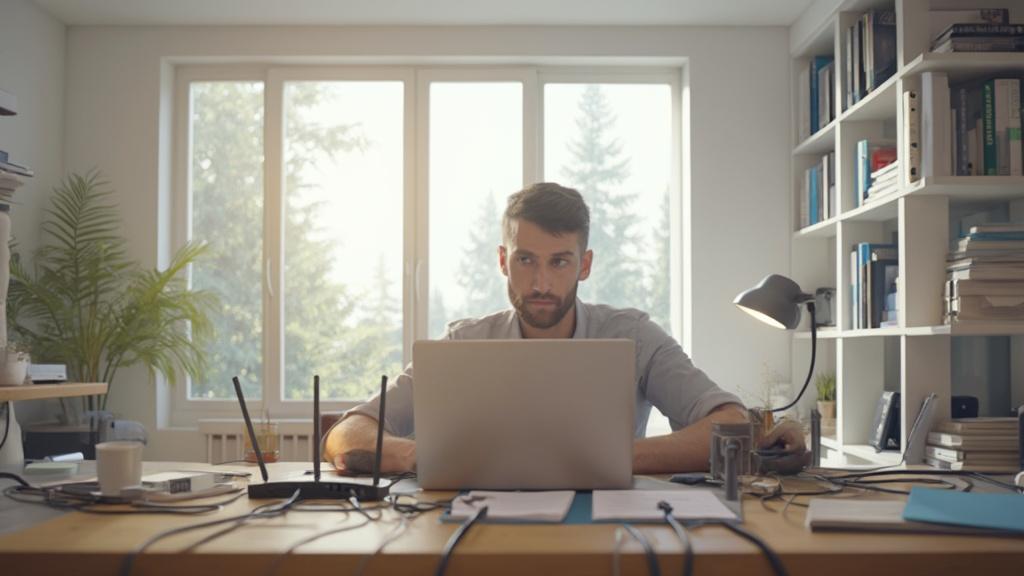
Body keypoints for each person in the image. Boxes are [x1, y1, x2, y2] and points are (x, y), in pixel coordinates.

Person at [323, 182, 805, 475]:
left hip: (608, 527)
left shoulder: (632, 336)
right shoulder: (464, 343)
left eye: (559, 262)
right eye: (525, 260)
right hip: (475, 529)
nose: (541, 283)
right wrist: (418, 455)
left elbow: (733, 428)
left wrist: (606, 457)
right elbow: (346, 436)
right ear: (501, 261)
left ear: (585, 265)